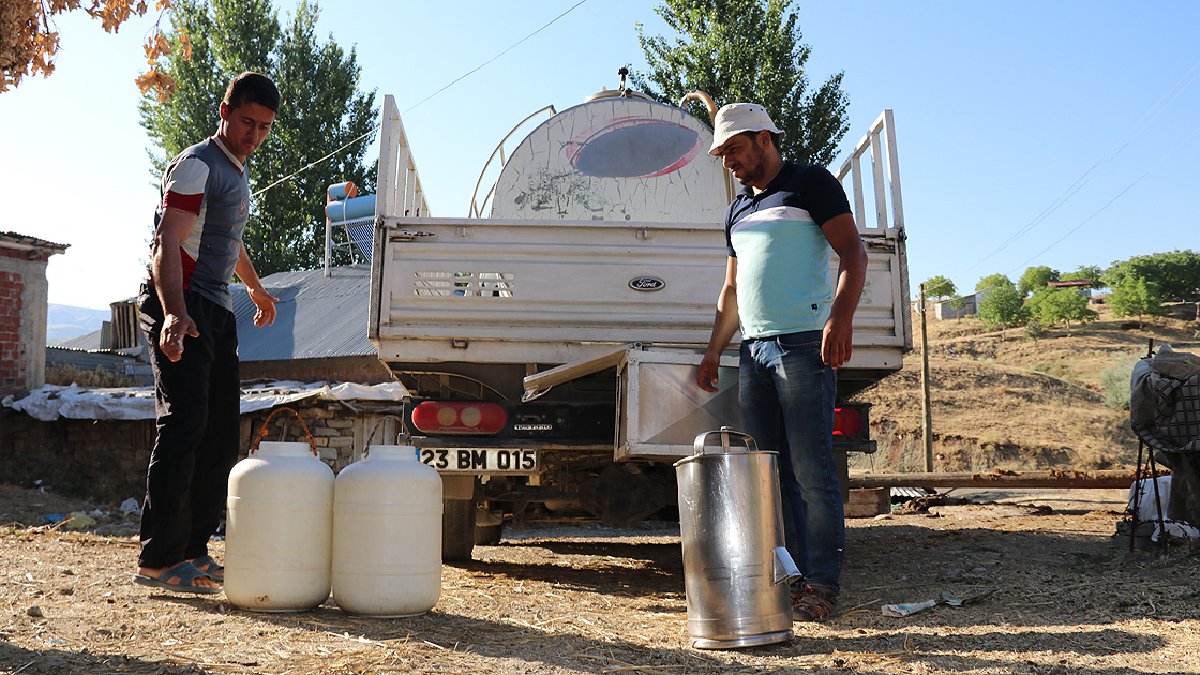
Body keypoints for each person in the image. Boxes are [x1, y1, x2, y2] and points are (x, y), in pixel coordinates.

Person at [696, 103, 867, 621]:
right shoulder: (737, 210)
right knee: (769, 473)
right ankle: (788, 581)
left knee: (812, 468)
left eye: (733, 149)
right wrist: (713, 351)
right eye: (722, 153)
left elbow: (853, 255)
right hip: (754, 349)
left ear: (764, 138)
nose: (728, 161)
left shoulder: (810, 183)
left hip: (804, 345)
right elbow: (730, 290)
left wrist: (840, 320)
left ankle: (823, 586)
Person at [133, 72, 281, 594]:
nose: (254, 135)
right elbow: (166, 242)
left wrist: (258, 292)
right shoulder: (197, 164)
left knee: (220, 436)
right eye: (247, 122)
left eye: (264, 127)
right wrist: (174, 313)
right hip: (181, 300)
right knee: (185, 423)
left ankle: (193, 551)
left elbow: (229, 240)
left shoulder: (237, 175)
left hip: (217, 308)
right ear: (225, 111)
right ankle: (158, 559)